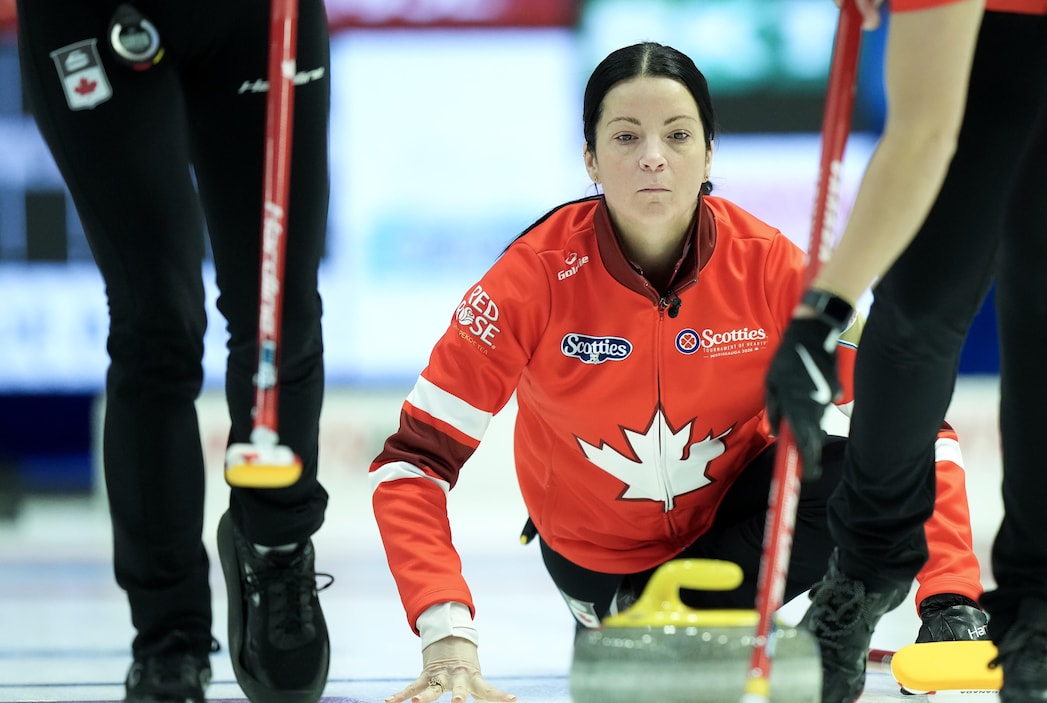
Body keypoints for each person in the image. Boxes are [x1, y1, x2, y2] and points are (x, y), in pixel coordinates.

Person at [369, 41, 989, 703]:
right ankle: (644, 620)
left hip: (739, 527)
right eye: (626, 136)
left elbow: (915, 419)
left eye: (677, 134)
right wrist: (447, 633)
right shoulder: (531, 278)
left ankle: (824, 624)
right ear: (590, 158)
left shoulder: (773, 268)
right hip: (601, 566)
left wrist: (951, 597)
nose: (653, 158)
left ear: (710, 152)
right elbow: (412, 461)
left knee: (866, 464)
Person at [764, 0, 1047, 702]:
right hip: (1000, 15)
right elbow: (922, 136)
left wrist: (820, 310)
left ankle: (1043, 608)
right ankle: (865, 569)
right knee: (922, 290)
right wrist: (823, 312)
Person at [16, 2, 335, 702]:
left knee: (278, 303)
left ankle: (276, 547)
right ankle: (168, 635)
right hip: (94, 16)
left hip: (256, 16)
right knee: (156, 317)